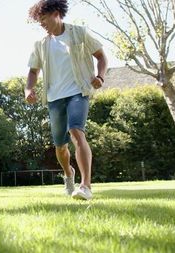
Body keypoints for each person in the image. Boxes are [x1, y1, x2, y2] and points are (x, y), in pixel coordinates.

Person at [25, 0, 107, 200]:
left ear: (55, 13)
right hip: (54, 98)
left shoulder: (79, 33)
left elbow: (101, 57)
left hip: (78, 92)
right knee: (60, 147)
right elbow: (33, 71)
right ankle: (69, 174)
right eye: (39, 21)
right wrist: (29, 89)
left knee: (76, 132)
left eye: (43, 19)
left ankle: (85, 186)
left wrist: (100, 76)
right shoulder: (41, 45)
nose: (42, 24)